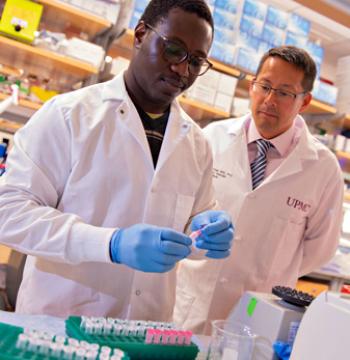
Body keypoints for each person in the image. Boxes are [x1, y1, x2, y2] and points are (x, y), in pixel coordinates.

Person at [0, 0, 234, 321]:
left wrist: (203, 230)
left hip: (145, 334)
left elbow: (190, 223)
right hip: (59, 329)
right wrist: (110, 244)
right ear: (140, 34)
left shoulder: (197, 144)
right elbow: (9, 213)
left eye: (196, 61)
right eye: (173, 50)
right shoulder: (69, 115)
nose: (182, 69)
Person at [174, 45, 344, 334]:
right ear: (252, 86)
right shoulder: (211, 138)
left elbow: (320, 250)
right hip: (190, 304)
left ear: (304, 102)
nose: (269, 100)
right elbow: (178, 211)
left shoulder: (323, 169)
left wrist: (271, 267)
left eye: (284, 92)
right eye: (264, 86)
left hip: (258, 317)